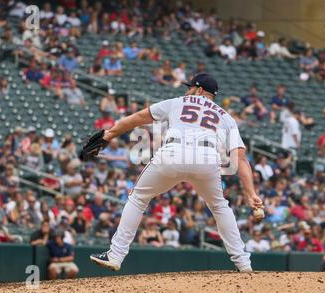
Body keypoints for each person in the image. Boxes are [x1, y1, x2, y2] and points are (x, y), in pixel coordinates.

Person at [89, 74, 263, 272]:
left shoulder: (177, 102)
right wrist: (251, 194)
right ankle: (244, 263)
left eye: (190, 87)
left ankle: (116, 255)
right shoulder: (226, 116)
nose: (186, 90)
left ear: (198, 90)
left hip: (174, 153)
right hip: (207, 158)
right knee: (219, 206)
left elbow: (138, 118)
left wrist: (110, 134)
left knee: (138, 198)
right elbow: (240, 158)